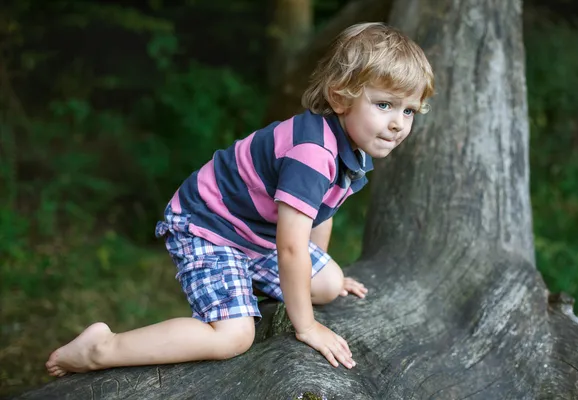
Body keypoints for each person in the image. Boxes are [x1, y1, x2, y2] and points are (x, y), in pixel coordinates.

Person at [45, 22, 434, 377]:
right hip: (209, 228)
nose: (398, 123)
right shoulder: (312, 152)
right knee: (234, 336)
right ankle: (102, 348)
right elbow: (291, 246)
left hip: (255, 232)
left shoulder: (352, 147)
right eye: (384, 104)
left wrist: (321, 268)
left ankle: (248, 283)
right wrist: (307, 326)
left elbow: (319, 214)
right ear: (339, 97)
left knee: (328, 284)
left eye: (409, 110)